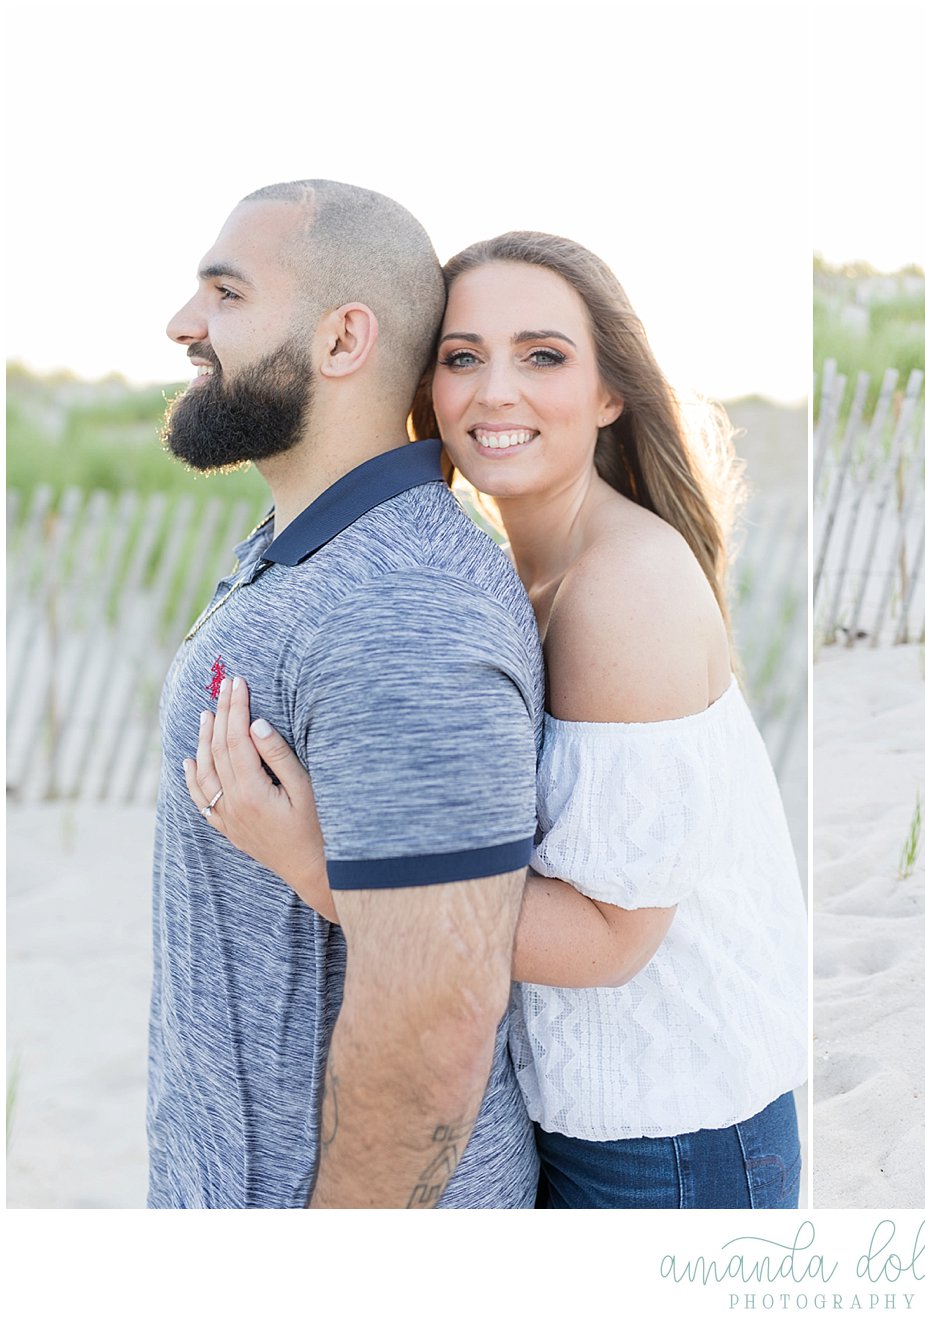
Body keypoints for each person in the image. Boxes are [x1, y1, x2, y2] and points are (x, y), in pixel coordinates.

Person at [191, 231, 807, 1208]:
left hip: (672, 1132)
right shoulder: (511, 569)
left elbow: (612, 938)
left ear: (610, 392)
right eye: (462, 356)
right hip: (579, 1104)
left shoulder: (623, 589)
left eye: (543, 355)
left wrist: (316, 861)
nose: (495, 391)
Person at [152, 180, 543, 1208]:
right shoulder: (310, 551)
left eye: (226, 295)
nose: (184, 325)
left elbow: (436, 1019)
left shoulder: (403, 602)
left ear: (342, 339)